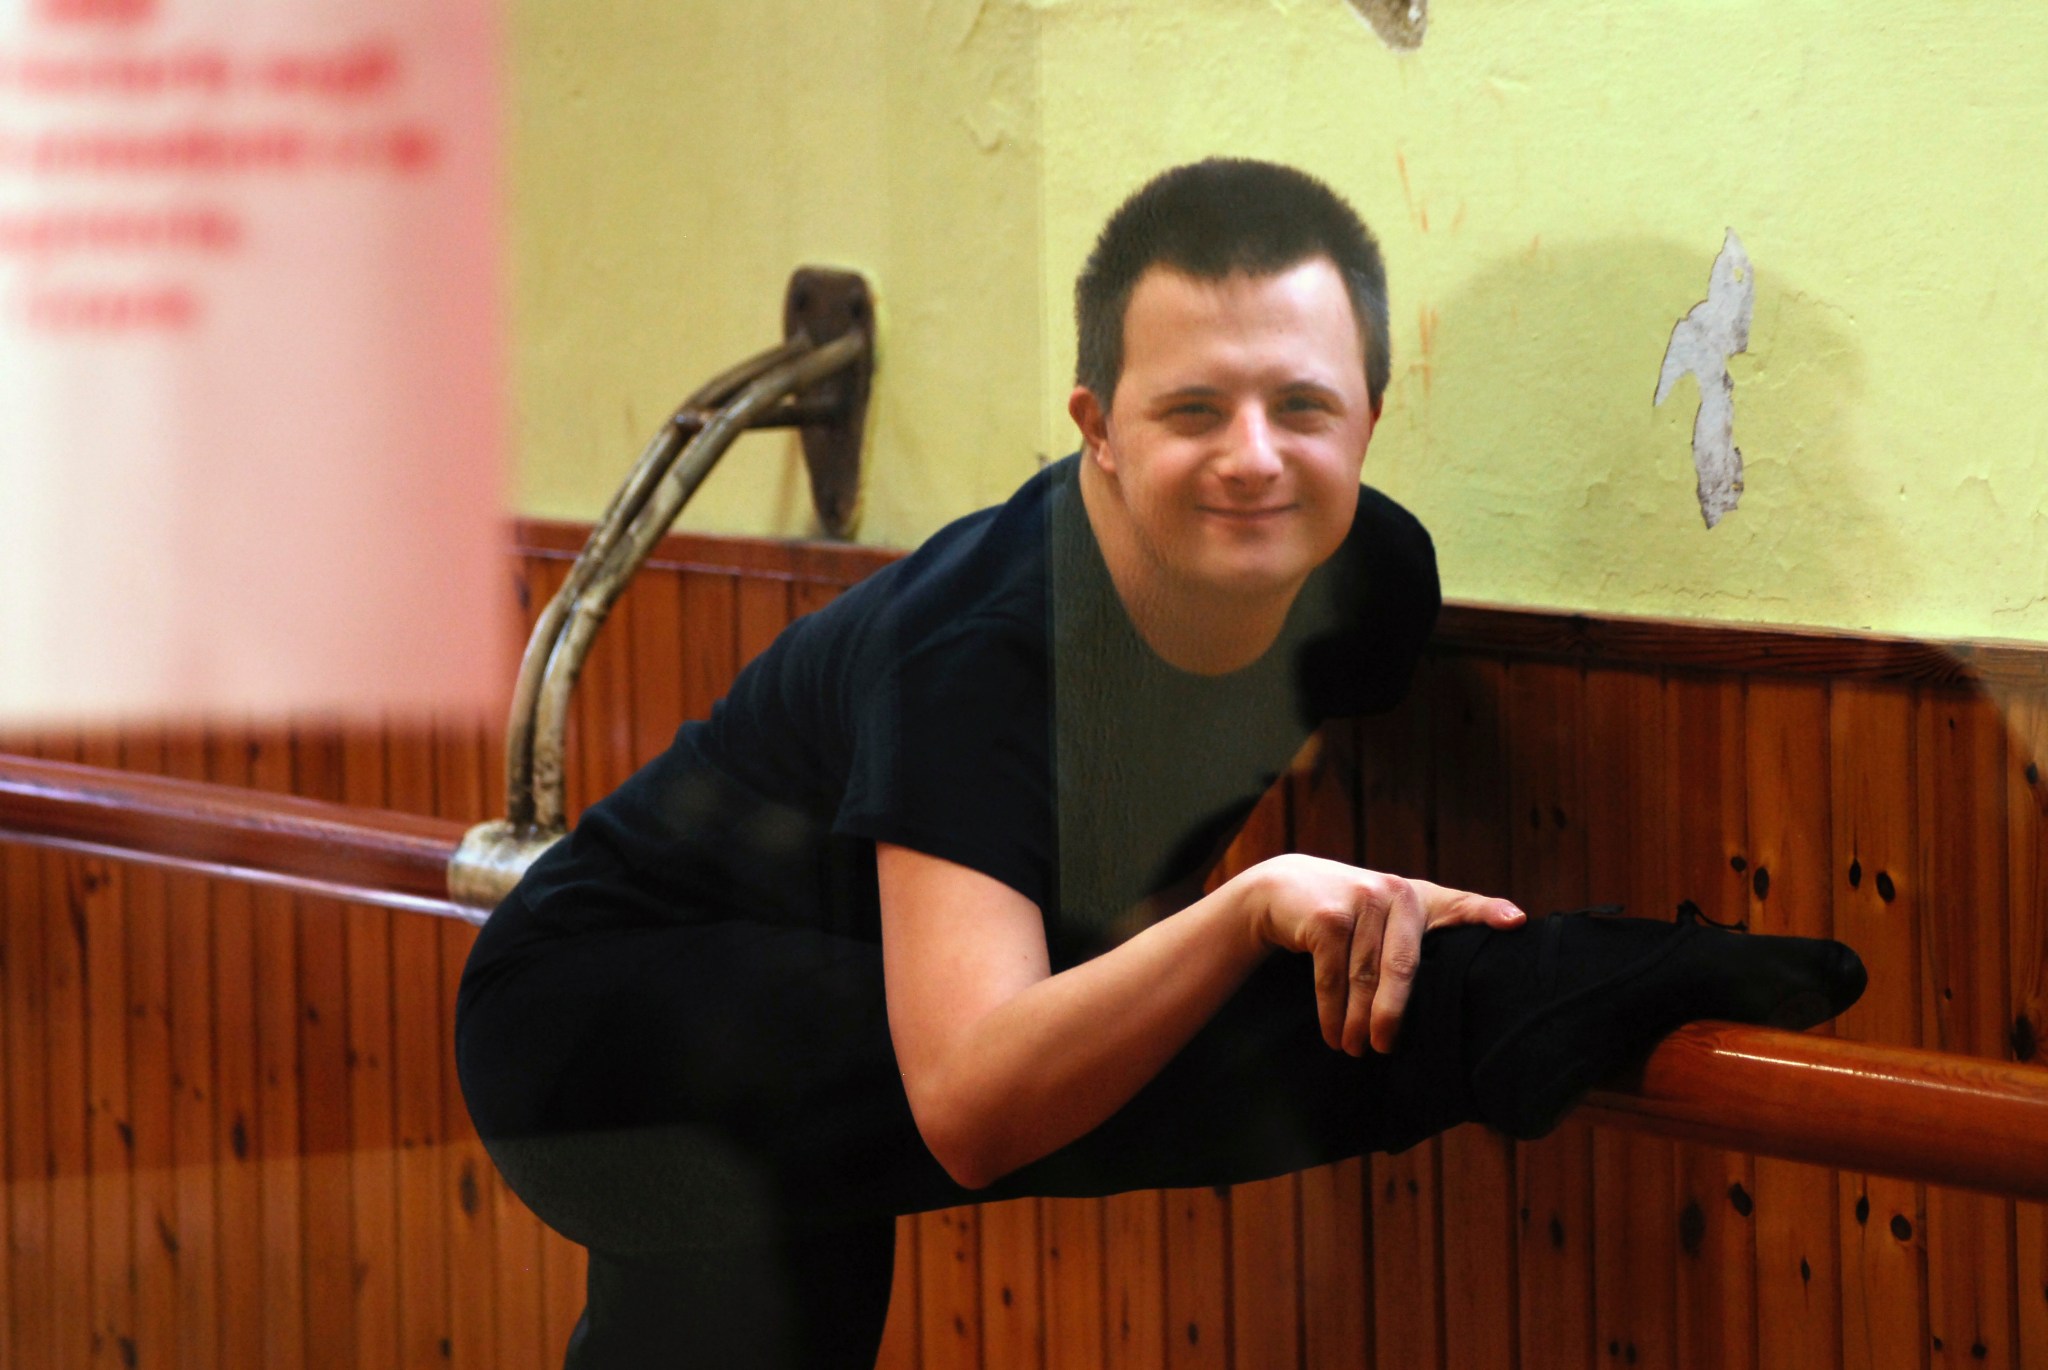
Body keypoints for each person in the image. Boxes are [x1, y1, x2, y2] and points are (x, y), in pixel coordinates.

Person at [455, 159, 1864, 1369]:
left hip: (829, 1025)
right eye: (1193, 410)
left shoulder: (1373, 586)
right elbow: (976, 1104)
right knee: (1192, 1047)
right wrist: (1257, 907)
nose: (1254, 460)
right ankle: (1536, 991)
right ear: (1099, 429)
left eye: (1302, 405)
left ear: (1370, 416)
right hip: (605, 1035)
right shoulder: (983, 651)